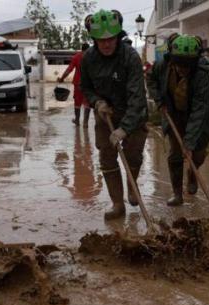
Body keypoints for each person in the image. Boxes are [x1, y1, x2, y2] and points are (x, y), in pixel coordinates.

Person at [80, 9, 148, 220]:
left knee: (133, 155)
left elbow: (137, 98)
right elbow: (86, 87)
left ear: (118, 37)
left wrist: (124, 129)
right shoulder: (88, 59)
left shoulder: (131, 57)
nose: (106, 44)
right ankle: (118, 204)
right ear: (94, 39)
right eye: (101, 40)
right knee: (107, 158)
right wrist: (96, 102)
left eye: (110, 39)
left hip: (133, 114)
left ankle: (132, 184)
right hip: (106, 114)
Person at [147, 34, 209, 206]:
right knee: (175, 155)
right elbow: (151, 79)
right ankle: (177, 194)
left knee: (197, 155)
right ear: (173, 60)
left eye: (188, 65)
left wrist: (189, 143)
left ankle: (192, 172)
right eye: (180, 64)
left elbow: (200, 110)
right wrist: (159, 100)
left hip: (197, 119)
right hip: (174, 115)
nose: (184, 69)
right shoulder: (162, 66)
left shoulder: (201, 75)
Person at [57, 43, 91, 127]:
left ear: (81, 49)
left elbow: (69, 70)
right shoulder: (92, 57)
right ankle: (85, 123)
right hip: (89, 85)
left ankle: (77, 120)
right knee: (87, 103)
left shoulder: (76, 57)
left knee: (77, 103)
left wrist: (62, 78)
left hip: (78, 84)